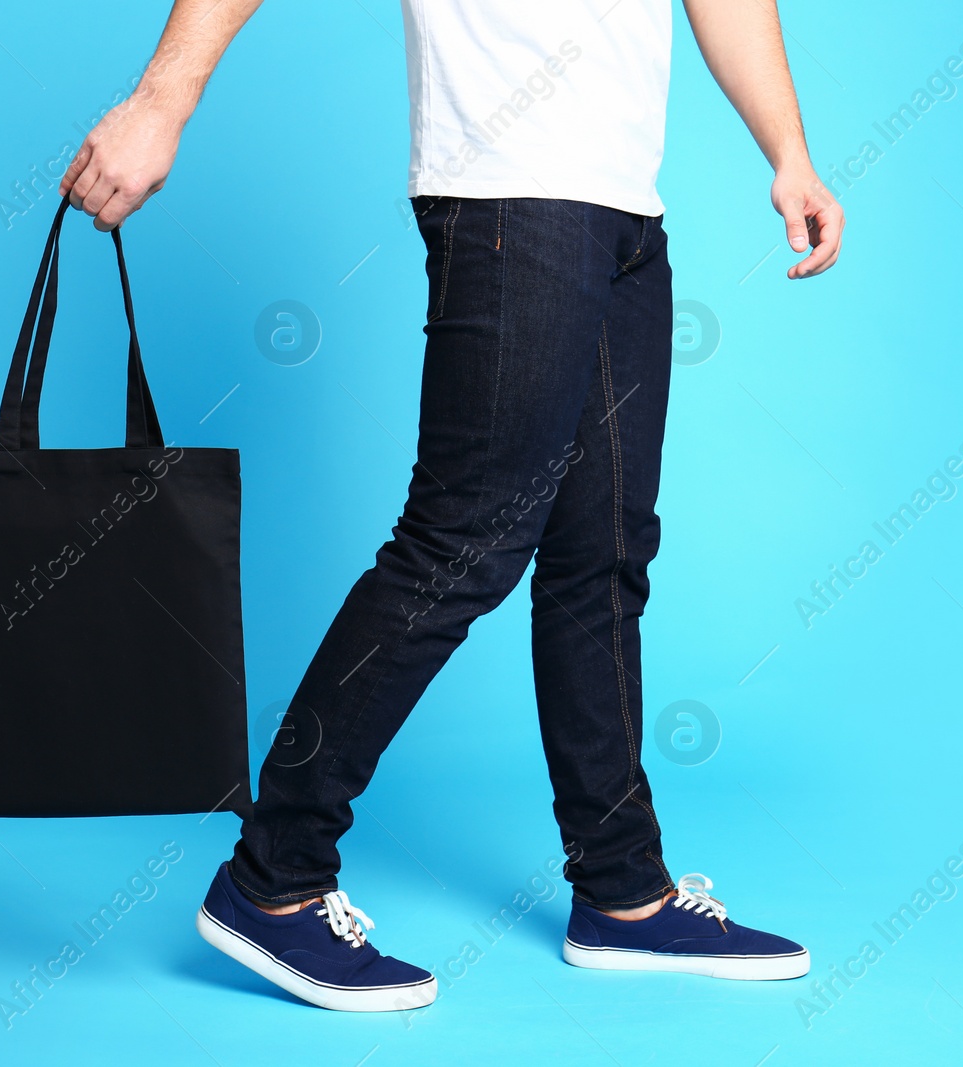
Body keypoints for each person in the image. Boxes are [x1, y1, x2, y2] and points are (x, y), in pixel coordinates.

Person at [61, 0, 843, 1012]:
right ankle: (275, 875)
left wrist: (789, 151)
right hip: (510, 196)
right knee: (460, 544)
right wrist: (162, 101)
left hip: (619, 208)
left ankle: (622, 890)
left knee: (601, 554)